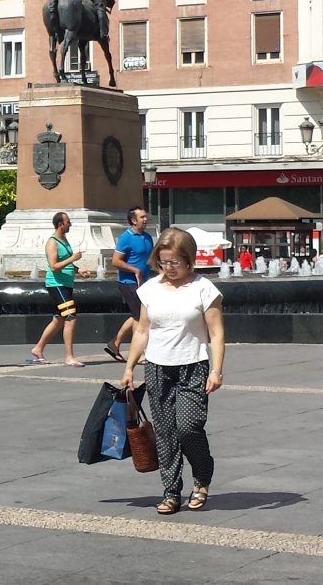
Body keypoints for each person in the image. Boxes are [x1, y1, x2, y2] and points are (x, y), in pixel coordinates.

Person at [119, 227, 226, 516]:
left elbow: (216, 334)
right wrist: (130, 366)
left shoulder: (204, 288)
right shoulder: (150, 288)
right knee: (165, 433)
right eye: (163, 262)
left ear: (189, 260)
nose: (168, 268)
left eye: (174, 263)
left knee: (188, 427)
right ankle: (170, 491)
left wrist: (216, 371)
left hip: (194, 367)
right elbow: (142, 330)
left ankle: (202, 476)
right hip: (157, 368)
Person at [28, 212, 85, 367]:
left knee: (58, 318)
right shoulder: (52, 243)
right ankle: (69, 357)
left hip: (66, 284)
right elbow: (54, 266)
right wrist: (73, 258)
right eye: (68, 222)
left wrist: (77, 269)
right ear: (61, 224)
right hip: (57, 285)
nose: (70, 224)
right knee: (70, 318)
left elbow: (64, 260)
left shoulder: (63, 240)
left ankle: (38, 349)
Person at [104, 206, 155, 363]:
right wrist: (134, 270)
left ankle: (115, 343)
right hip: (129, 282)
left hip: (143, 284)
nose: (145, 219)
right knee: (140, 318)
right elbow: (115, 261)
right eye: (142, 217)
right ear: (133, 220)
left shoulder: (147, 237)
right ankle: (138, 354)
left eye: (145, 217)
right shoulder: (125, 237)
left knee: (136, 316)